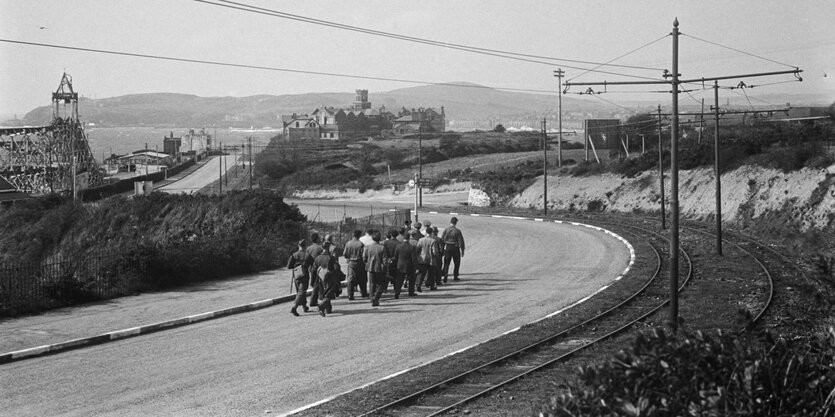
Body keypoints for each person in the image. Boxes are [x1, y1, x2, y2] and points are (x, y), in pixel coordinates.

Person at [286, 239, 313, 316]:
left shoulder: (294, 255)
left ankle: (304, 306)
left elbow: (289, 266)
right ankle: (294, 307)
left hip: (296, 275)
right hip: (304, 274)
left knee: (300, 291)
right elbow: (313, 263)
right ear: (305, 246)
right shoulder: (307, 255)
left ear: (298, 246)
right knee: (302, 291)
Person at [313, 241, 341, 316]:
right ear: (328, 247)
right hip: (330, 278)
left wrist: (313, 281)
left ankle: (328, 309)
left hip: (320, 279)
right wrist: (339, 277)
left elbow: (314, 270)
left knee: (324, 294)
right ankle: (321, 306)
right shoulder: (331, 258)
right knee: (328, 294)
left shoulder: (317, 258)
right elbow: (336, 268)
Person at [363, 230, 387, 306]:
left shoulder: (367, 247)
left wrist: (368, 263)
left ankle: (371, 298)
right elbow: (385, 260)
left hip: (370, 267)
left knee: (371, 284)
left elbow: (364, 258)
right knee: (382, 284)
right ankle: (376, 297)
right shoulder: (382, 248)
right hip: (379, 268)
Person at [343, 229, 368, 300]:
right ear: (359, 235)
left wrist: (349, 258)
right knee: (362, 278)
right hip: (360, 262)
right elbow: (364, 255)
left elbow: (344, 254)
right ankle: (363, 293)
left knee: (350, 279)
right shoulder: (361, 244)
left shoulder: (348, 243)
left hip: (351, 263)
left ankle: (350, 294)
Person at [441, 216, 465, 282]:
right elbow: (461, 241)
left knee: (446, 263)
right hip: (455, 247)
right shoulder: (457, 231)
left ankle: (445, 276)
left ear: (450, 222)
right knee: (457, 262)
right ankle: (455, 276)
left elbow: (442, 240)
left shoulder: (446, 230)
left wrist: (442, 249)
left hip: (448, 247)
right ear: (456, 223)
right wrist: (462, 250)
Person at [394, 228, 417, 297]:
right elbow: (414, 258)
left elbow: (396, 256)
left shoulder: (398, 246)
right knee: (411, 280)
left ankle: (397, 293)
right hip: (409, 265)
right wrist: (416, 266)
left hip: (400, 265)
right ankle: (411, 292)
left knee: (399, 280)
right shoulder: (411, 247)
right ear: (409, 238)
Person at [306, 233, 325, 307]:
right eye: (319, 238)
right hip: (319, 268)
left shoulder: (308, 248)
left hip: (311, 268)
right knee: (318, 283)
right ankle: (314, 300)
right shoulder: (320, 248)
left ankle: (320, 296)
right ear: (316, 239)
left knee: (315, 283)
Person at [383, 228, 400, 294]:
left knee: (387, 275)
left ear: (391, 235)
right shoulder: (399, 243)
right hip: (396, 260)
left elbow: (384, 252)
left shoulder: (386, 242)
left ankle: (385, 288)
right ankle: (396, 289)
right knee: (396, 275)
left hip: (388, 260)